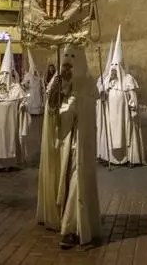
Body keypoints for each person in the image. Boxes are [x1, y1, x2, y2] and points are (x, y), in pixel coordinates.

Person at [36, 45, 100, 249]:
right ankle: (64, 218)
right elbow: (52, 111)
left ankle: (71, 228)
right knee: (63, 180)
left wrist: (72, 105)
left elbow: (84, 112)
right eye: (66, 59)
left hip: (80, 143)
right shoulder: (59, 81)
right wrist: (57, 86)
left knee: (77, 180)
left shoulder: (88, 84)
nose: (69, 63)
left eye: (73, 58)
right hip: (63, 143)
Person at [97, 27, 146, 166]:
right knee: (111, 134)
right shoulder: (107, 80)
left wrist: (132, 106)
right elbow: (101, 93)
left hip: (124, 115)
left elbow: (133, 96)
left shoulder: (128, 79)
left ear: (121, 66)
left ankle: (129, 158)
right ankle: (111, 158)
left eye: (116, 65)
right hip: (110, 114)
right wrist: (105, 88)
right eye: (112, 65)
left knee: (125, 134)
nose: (113, 67)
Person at [0, 39, 30, 171]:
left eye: (7, 74)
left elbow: (23, 101)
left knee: (10, 140)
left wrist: (23, 105)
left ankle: (10, 163)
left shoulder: (16, 88)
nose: (5, 77)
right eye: (3, 74)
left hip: (11, 121)